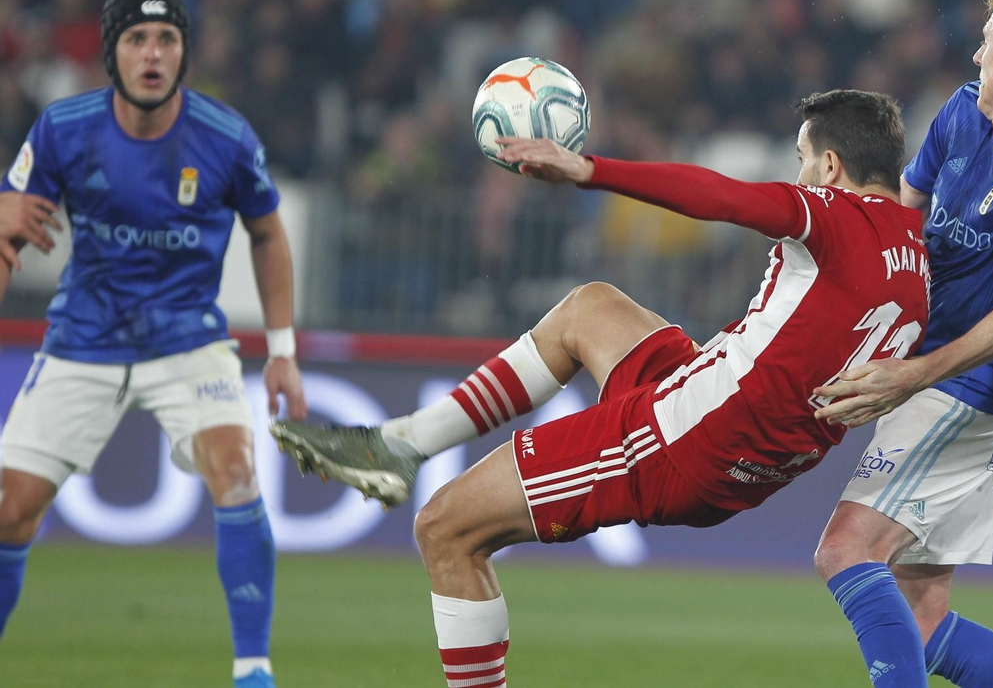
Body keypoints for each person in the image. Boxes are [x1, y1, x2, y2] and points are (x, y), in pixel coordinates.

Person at [270, 90, 931, 688]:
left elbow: (723, 196)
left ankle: (401, 449)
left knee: (445, 528)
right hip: (746, 442)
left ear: (832, 167)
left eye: (801, 158)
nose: (797, 173)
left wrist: (591, 170)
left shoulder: (835, 215)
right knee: (590, 308)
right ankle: (403, 443)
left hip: (681, 437)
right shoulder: (920, 254)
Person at [0, 0, 306, 688]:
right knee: (10, 512)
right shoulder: (61, 129)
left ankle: (254, 672)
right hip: (84, 336)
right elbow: (10, 235)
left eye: (167, 39)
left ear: (183, 53)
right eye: (137, 39)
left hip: (187, 339)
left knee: (235, 468)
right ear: (112, 53)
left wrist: (283, 352)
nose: (152, 54)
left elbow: (268, 233)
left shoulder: (226, 137)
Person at [809, 0, 993, 688]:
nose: (975, 55)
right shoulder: (963, 113)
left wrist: (909, 374)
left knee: (846, 550)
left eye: (988, 42)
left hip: (970, 391)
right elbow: (903, 226)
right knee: (924, 625)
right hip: (933, 372)